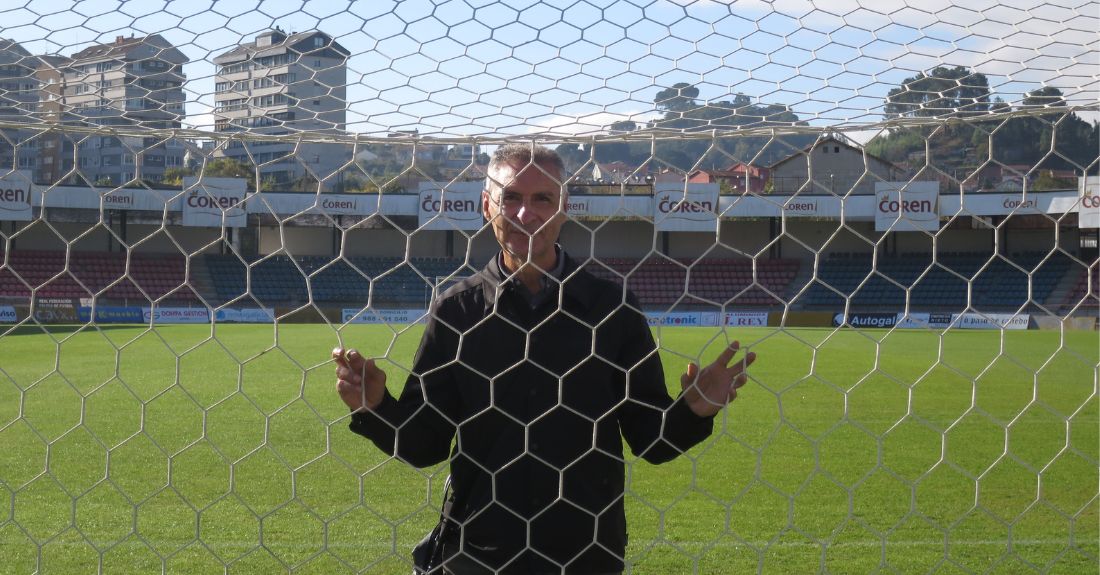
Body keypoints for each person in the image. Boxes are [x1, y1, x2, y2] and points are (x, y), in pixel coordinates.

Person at [334, 143, 756, 574]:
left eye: (542, 199)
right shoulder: (456, 311)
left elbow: (650, 440)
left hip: (585, 553)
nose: (524, 214)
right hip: (478, 554)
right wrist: (378, 407)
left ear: (564, 207)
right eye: (511, 197)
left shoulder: (611, 308)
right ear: (486, 206)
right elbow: (425, 445)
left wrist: (693, 411)